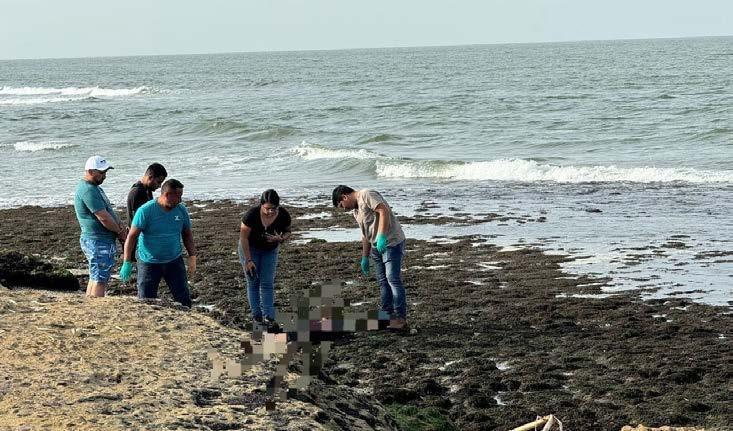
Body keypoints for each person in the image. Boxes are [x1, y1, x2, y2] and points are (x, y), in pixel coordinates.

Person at [332, 185, 408, 330]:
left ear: (344, 197)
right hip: (376, 247)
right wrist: (365, 257)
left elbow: (383, 211)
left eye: (341, 205)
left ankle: (400, 319)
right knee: (383, 281)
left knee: (392, 279)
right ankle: (386, 316)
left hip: (391, 242)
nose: (344, 209)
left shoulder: (366, 194)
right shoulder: (356, 211)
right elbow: (365, 234)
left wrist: (382, 236)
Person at [119, 179, 196, 307]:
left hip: (174, 261)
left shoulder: (181, 210)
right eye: (178, 196)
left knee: (183, 298)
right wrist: (127, 262)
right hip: (149, 262)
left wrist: (192, 256)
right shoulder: (145, 211)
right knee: (146, 301)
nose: (180, 200)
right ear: (167, 194)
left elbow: (187, 234)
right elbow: (131, 237)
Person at [74, 155, 128, 297]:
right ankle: (96, 304)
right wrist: (119, 232)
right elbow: (103, 217)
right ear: (90, 171)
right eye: (102, 172)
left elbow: (108, 212)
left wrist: (120, 225)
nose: (104, 176)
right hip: (97, 240)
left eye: (105, 172)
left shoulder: (94, 188)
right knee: (100, 279)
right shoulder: (88, 190)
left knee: (96, 276)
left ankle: (90, 303)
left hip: (99, 240)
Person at [238, 189, 291, 329]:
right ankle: (257, 316)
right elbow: (243, 238)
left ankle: (269, 317)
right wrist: (248, 261)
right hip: (250, 248)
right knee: (253, 282)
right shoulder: (251, 215)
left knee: (267, 283)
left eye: (274, 208)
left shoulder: (283, 214)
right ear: (261, 205)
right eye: (267, 208)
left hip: (270, 250)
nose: (271, 212)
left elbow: (288, 231)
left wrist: (281, 238)